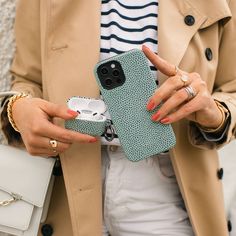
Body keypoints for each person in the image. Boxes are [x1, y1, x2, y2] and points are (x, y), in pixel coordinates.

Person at [1, 0, 236, 235]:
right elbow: (27, 80)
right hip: (66, 179)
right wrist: (18, 110)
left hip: (165, 186)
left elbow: (231, 89)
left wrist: (215, 113)